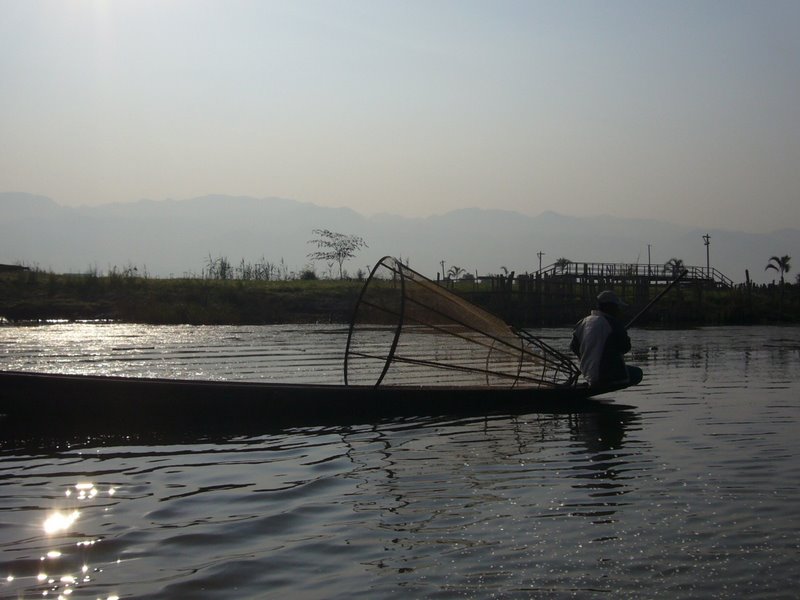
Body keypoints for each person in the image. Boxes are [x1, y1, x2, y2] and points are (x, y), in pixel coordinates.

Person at [570, 290, 643, 388]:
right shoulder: (613, 324)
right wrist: (622, 333)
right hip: (605, 376)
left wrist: (588, 358)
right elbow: (625, 347)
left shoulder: (582, 322)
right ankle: (604, 381)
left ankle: (594, 379)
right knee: (637, 373)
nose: (619, 310)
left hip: (587, 373)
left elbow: (573, 347)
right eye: (617, 307)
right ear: (610, 307)